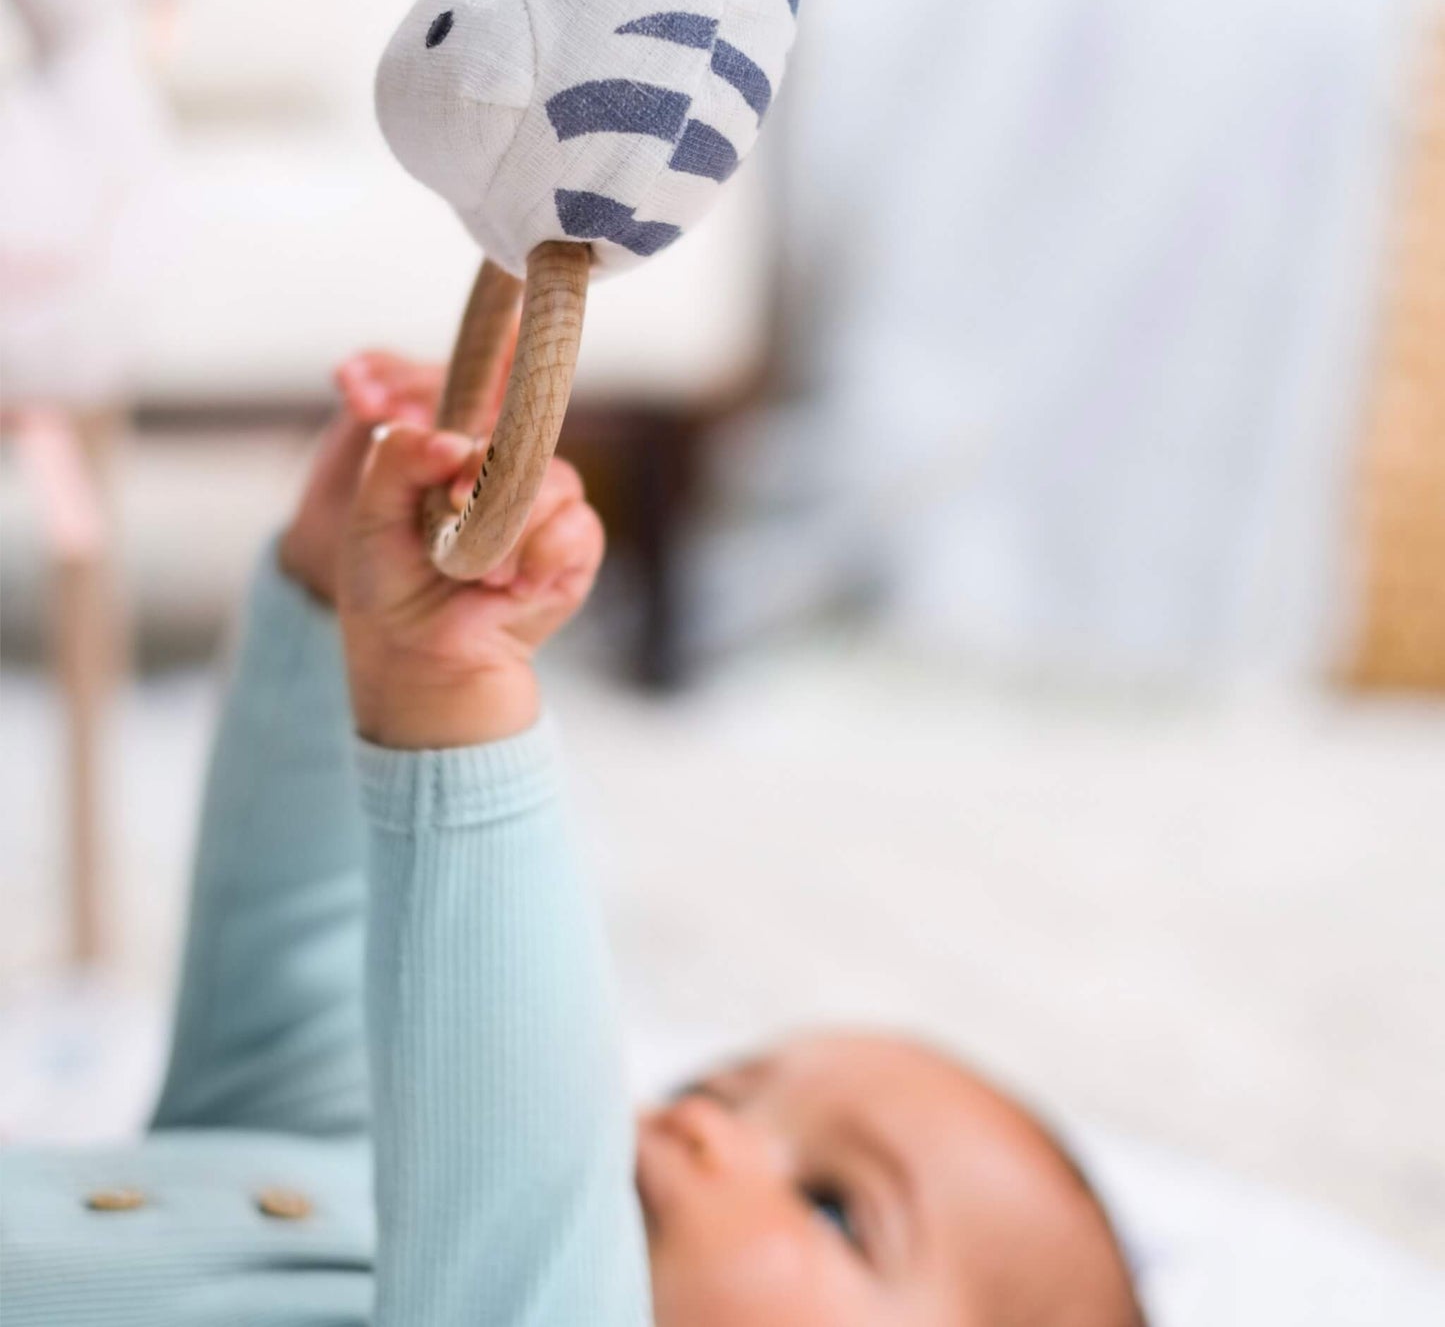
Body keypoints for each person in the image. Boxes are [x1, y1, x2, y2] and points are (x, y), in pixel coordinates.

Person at [1, 355, 1144, 1327]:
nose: (695, 1122)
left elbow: (518, 1173)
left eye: (833, 1203)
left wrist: (451, 697)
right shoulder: (395, 1187)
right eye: (720, 1086)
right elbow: (288, 987)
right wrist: (331, 600)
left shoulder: (523, 1286)